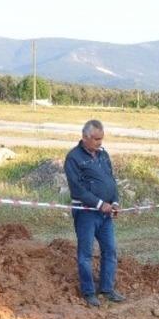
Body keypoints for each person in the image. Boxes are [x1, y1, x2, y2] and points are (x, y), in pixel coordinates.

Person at [64, 119, 125, 307]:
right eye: (96, 139)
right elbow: (77, 190)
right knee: (86, 253)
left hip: (105, 215)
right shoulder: (73, 158)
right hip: (86, 214)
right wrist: (99, 203)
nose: (100, 143)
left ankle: (107, 289)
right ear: (85, 137)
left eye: (101, 138)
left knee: (110, 250)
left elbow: (111, 181)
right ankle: (89, 292)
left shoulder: (103, 155)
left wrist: (113, 202)